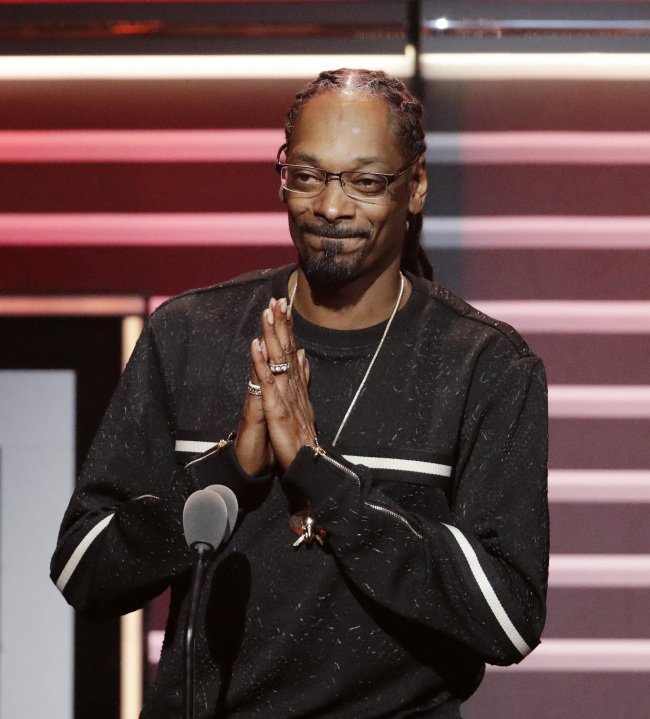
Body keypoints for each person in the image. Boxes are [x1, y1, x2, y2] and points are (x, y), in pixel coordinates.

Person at [51, 68, 549, 719]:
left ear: (416, 185)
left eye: (365, 181)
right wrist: (231, 468)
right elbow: (83, 570)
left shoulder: (485, 365)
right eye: (307, 175)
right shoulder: (189, 335)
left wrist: (323, 476)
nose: (330, 206)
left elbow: (508, 619)